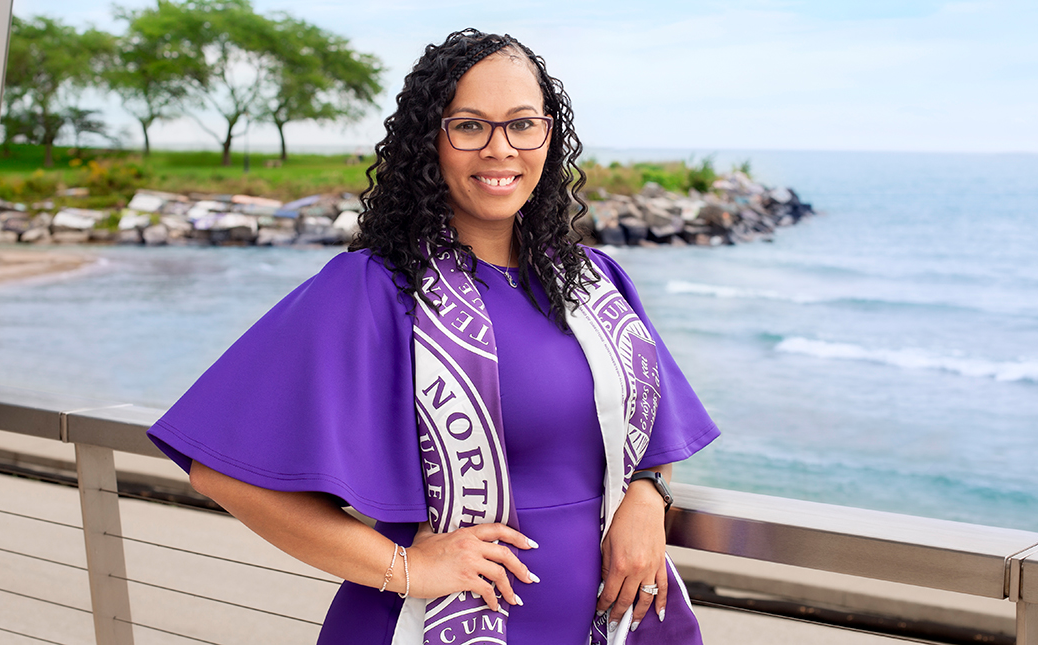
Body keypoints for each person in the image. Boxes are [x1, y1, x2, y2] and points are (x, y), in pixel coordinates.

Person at [148, 29, 719, 644]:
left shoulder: (593, 282)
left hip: (608, 619)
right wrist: (409, 568)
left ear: (548, 137)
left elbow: (653, 435)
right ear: (431, 142)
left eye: (523, 124)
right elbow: (223, 469)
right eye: (470, 126)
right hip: (431, 624)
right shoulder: (377, 288)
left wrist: (648, 495)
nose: (501, 150)